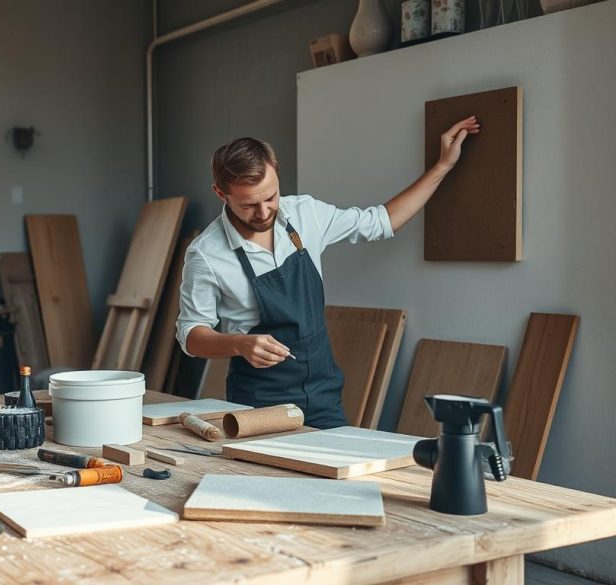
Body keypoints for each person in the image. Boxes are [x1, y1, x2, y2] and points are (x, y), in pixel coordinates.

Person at [177, 117, 480, 429]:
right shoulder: (206, 253)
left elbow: (381, 222)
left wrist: (443, 165)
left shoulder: (307, 214)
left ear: (277, 173)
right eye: (248, 205)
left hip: (323, 395)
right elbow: (191, 335)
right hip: (259, 403)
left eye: (271, 197)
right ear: (220, 193)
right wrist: (238, 344)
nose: (264, 212)